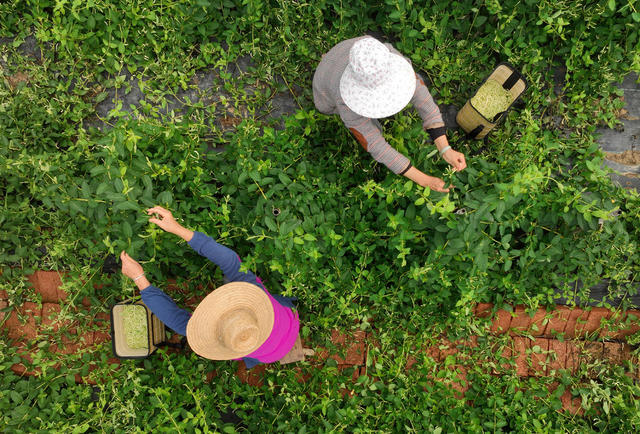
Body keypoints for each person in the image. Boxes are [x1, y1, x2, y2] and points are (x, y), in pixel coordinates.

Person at [119, 206, 300, 368]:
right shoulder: (256, 292)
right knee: (235, 276)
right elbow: (229, 262)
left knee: (232, 275)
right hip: (281, 332)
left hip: (274, 342)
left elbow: (230, 261)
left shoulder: (219, 336)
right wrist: (176, 229)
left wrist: (139, 277)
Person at [313, 36, 466, 192]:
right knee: (354, 122)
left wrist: (445, 149)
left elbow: (423, 99)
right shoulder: (345, 102)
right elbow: (374, 144)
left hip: (346, 51)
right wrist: (424, 180)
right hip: (326, 85)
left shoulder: (384, 57)